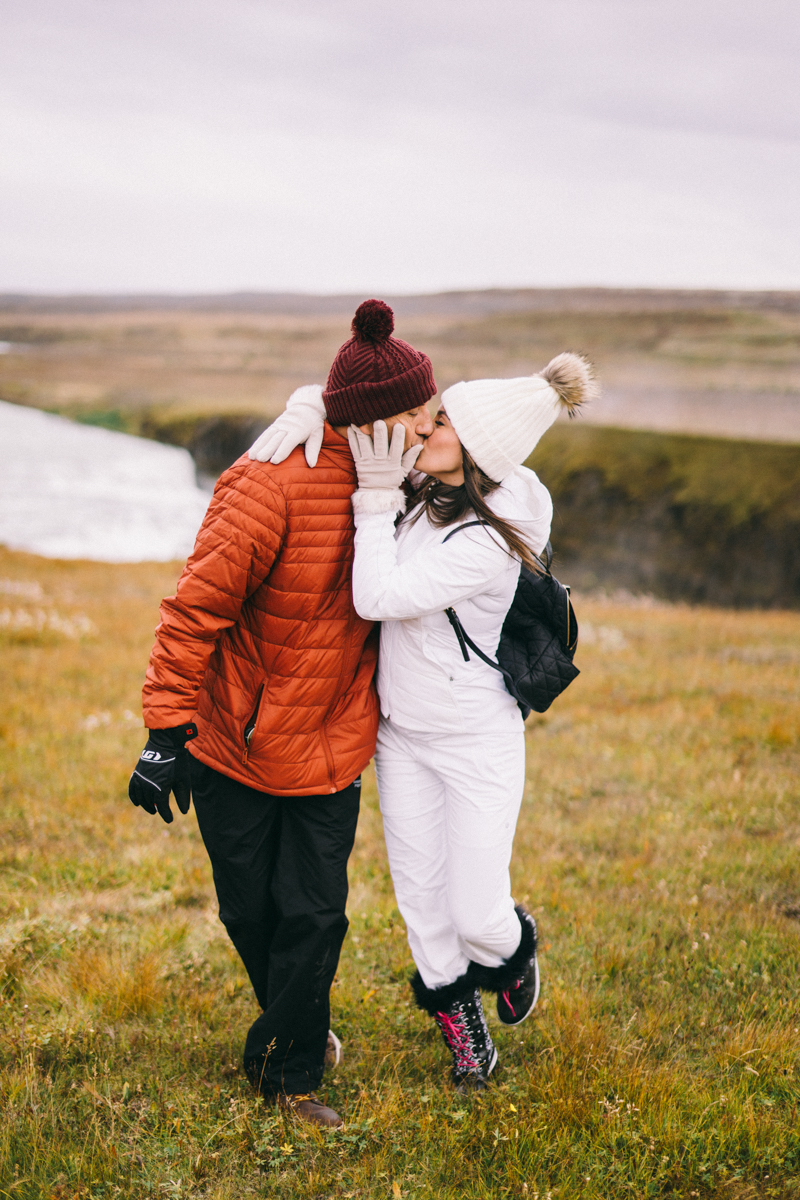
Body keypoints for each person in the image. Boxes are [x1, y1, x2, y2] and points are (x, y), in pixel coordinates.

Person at [127, 299, 435, 1127]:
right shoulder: (266, 486)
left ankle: (290, 1074)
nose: (432, 428)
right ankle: (301, 1023)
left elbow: (507, 433)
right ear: (372, 422)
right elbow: (193, 612)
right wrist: (165, 733)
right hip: (233, 743)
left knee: (315, 913)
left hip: (332, 744)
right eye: (418, 415)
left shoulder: (413, 489)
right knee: (249, 912)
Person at [344, 353, 596, 1090]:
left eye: (444, 420)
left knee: (477, 911)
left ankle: (514, 955)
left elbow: (376, 596)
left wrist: (373, 498)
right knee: (423, 907)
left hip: (475, 739)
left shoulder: (488, 542)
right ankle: (466, 1037)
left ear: (477, 449)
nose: (427, 425)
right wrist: (306, 411)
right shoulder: (435, 487)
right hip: (401, 737)